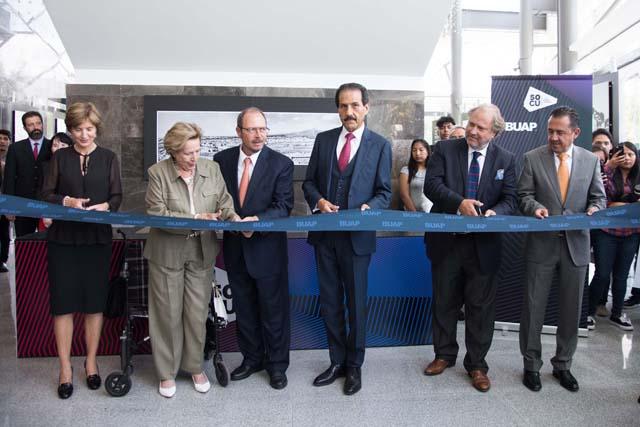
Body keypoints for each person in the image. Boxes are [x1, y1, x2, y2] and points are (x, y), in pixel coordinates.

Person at [302, 82, 392, 395]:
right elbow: (309, 183)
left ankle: (355, 366)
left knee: (356, 304)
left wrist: (370, 207)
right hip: (325, 237)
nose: (349, 112)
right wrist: (319, 202)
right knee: (329, 304)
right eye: (343, 106)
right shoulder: (324, 140)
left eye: (354, 105)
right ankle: (336, 361)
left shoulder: (380, 145)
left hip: (357, 238)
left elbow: (385, 192)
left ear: (367, 107)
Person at [422, 104, 517, 392]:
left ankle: (477, 365)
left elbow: (511, 198)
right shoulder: (444, 149)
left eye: (481, 127)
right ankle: (443, 355)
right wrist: (459, 203)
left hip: (484, 246)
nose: (473, 131)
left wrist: (495, 214)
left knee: (480, 308)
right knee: (444, 302)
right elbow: (431, 186)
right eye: (471, 124)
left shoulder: (507, 159)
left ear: (495, 132)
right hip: (447, 241)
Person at [144, 121, 239, 398]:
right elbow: (158, 215)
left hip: (202, 251)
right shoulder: (157, 173)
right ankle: (166, 372)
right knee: (167, 314)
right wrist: (196, 218)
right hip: (167, 252)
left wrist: (234, 219)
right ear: (173, 151)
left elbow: (224, 203)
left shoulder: (212, 169)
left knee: (197, 314)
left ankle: (195, 366)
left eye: (197, 150)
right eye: (187, 153)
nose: (194, 158)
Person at [518, 106, 606, 393]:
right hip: (541, 245)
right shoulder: (532, 158)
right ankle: (531, 366)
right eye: (550, 131)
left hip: (576, 246)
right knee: (533, 309)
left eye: (560, 132)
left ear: (575, 133)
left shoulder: (591, 161)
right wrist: (536, 207)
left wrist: (594, 208)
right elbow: (523, 196)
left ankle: (563, 365)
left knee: (571, 311)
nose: (553, 137)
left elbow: (599, 198)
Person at [40, 102, 122, 399]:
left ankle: (90, 362)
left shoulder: (109, 157)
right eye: (78, 129)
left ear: (96, 128)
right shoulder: (60, 157)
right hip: (63, 240)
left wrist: (107, 206)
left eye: (89, 129)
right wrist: (66, 202)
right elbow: (46, 193)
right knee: (62, 304)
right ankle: (64, 368)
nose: (84, 135)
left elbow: (117, 195)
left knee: (93, 305)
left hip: (97, 240)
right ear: (70, 130)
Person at [214, 107, 294, 390]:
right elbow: (217, 200)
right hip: (235, 249)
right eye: (252, 129)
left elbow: (284, 206)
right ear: (239, 132)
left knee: (274, 310)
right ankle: (251, 359)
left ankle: (277, 366)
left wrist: (256, 222)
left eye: (263, 129)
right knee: (245, 309)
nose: (259, 135)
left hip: (267, 249)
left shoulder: (281, 164)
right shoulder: (220, 161)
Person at [588, 141, 640, 331]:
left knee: (622, 275)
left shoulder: (638, 177)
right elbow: (601, 198)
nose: (626, 158)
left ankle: (617, 313)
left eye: (630, 154)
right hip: (607, 232)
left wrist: (619, 207)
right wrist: (609, 166)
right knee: (601, 274)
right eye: (622, 154)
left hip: (631, 233)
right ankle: (588, 312)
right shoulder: (607, 172)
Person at [3, 111, 52, 236]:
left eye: (38, 123)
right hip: (22, 204)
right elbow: (9, 178)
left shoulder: (52, 146)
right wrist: (9, 205)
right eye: (31, 125)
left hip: (46, 203)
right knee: (23, 243)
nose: (35, 127)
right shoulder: (15, 148)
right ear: (25, 128)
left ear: (42, 124)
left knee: (48, 243)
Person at [42, 133, 72, 228]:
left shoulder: (77, 164)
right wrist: (45, 213)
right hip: (50, 211)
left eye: (63, 145)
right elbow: (42, 191)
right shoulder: (45, 166)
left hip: (72, 210)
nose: (59, 148)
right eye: (55, 145)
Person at [399, 139, 433, 212]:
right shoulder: (406, 170)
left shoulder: (434, 170)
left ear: (427, 152)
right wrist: (415, 214)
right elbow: (404, 195)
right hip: (412, 214)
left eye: (421, 150)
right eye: (414, 150)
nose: (417, 153)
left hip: (432, 214)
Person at [0, 129, 11, 272]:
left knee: (4, 232)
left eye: (5, 138)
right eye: (0, 138)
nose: (2, 141)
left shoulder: (12, 158)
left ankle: (3, 260)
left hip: (6, 201)